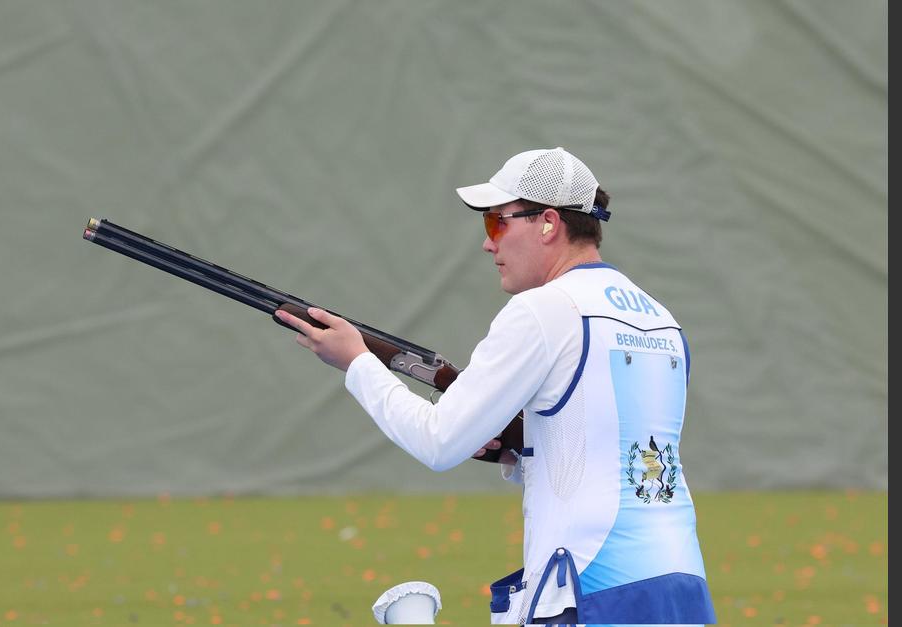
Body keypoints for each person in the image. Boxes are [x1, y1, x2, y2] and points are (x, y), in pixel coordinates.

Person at [275, 147, 716, 625]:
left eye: (497, 223)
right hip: (682, 586)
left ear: (548, 222)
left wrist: (357, 362)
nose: (489, 243)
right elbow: (612, 448)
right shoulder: (660, 318)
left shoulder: (544, 310)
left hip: (591, 590)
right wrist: (514, 450)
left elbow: (438, 441)